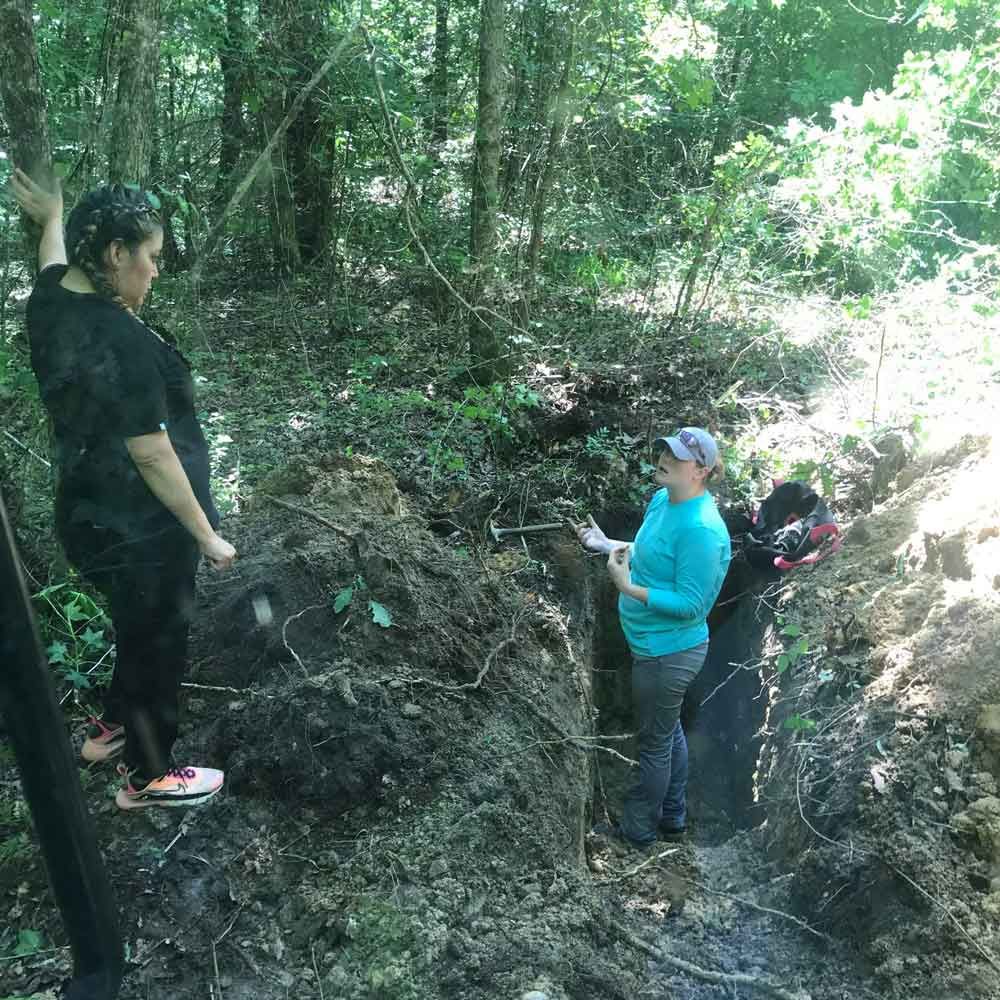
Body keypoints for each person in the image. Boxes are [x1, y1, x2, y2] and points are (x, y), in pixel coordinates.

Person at [10, 167, 235, 811]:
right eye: (152, 257)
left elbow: (51, 266)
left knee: (135, 626)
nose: (156, 272)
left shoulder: (55, 306)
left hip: (86, 516)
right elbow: (154, 453)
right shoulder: (122, 340)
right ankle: (151, 774)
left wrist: (52, 218)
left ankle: (108, 730)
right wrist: (205, 534)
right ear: (115, 254)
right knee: (159, 637)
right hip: (144, 528)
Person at [574, 427, 731, 847]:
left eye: (676, 456)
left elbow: (691, 604)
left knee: (654, 744)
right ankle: (674, 815)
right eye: (664, 449)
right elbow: (650, 552)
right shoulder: (664, 499)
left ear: (700, 471)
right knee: (667, 729)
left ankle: (639, 830)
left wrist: (627, 588)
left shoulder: (702, 530)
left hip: (669, 654)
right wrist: (604, 543)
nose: (663, 457)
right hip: (653, 645)